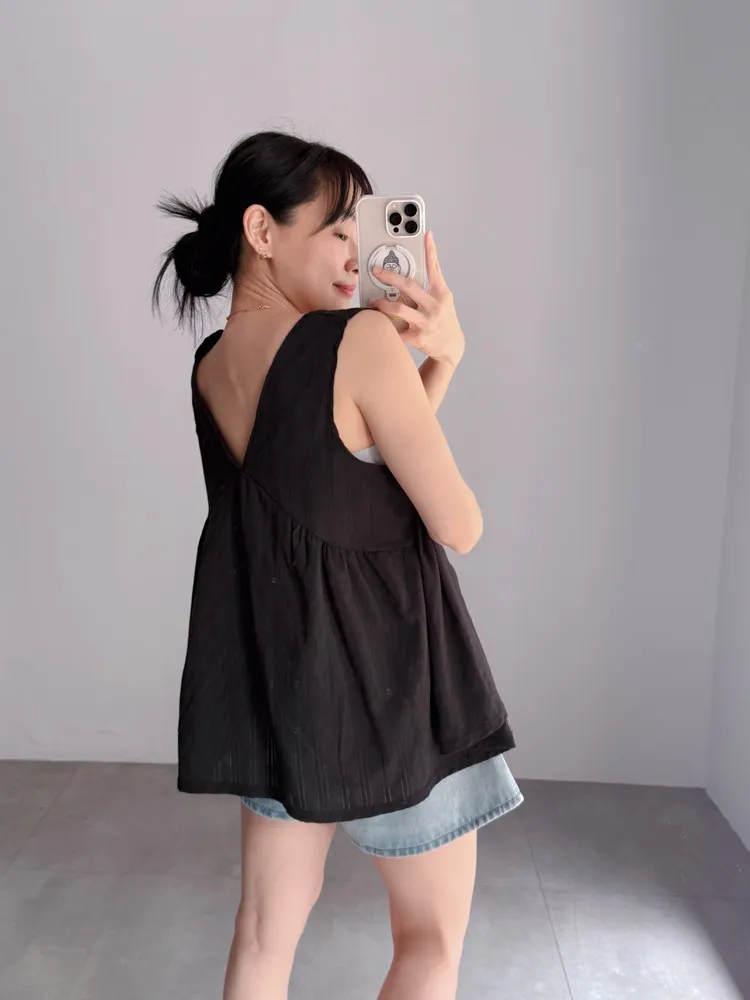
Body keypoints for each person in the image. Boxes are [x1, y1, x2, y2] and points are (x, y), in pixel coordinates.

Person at [152, 131, 522, 1000]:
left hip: (280, 685)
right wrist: (443, 352)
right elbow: (458, 524)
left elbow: (338, 477)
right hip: (395, 682)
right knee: (429, 942)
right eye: (337, 231)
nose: (357, 254)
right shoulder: (357, 342)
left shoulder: (211, 368)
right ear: (262, 231)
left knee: (261, 940)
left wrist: (424, 369)